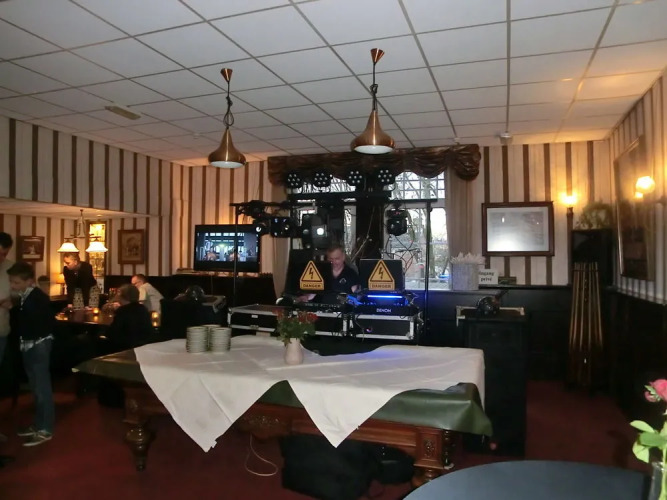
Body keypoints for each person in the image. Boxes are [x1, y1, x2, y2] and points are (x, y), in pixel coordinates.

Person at [7, 261, 55, 447]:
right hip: (30, 344)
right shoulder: (27, 296)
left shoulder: (37, 298)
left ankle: (46, 429)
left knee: (42, 389)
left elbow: (41, 324)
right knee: (35, 388)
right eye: (11, 281)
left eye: (16, 282)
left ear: (29, 281)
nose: (13, 286)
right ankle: (39, 424)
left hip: (37, 345)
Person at [295, 245, 360, 303]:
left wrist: (340, 299)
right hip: (321, 308)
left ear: (343, 257)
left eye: (337, 259)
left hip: (343, 309)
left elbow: (355, 297)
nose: (333, 262)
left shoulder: (351, 274)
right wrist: (306, 297)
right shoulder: (321, 272)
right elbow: (314, 291)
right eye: (331, 259)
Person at [104, 284, 154, 352]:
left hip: (125, 348)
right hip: (143, 347)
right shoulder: (143, 309)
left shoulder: (123, 311)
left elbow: (113, 333)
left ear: (122, 296)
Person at [0, 232, 14, 462]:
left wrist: (14, 301)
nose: (1, 258)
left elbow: (22, 292)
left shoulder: (11, 268)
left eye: (4, 253)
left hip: (2, 331)